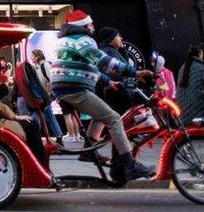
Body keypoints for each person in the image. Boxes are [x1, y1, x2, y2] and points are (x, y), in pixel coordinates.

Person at [51, 10, 155, 180]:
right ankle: (130, 165)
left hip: (65, 87)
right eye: (90, 24)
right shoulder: (83, 40)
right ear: (84, 26)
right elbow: (104, 62)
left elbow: (88, 66)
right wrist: (135, 73)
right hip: (73, 88)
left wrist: (108, 82)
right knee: (114, 118)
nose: (93, 27)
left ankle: (88, 152)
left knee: (101, 114)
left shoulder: (67, 40)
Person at [26, 49, 63, 145]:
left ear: (37, 57)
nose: (31, 58)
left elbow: (52, 80)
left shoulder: (45, 65)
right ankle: (59, 139)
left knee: (36, 119)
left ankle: (37, 140)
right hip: (41, 97)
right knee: (50, 118)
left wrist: (50, 94)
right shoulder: (36, 67)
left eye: (32, 56)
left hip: (45, 97)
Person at [96, 26, 135, 114]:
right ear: (112, 40)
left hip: (117, 91)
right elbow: (119, 71)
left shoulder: (112, 51)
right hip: (117, 92)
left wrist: (122, 49)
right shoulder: (110, 52)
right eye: (118, 36)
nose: (121, 38)